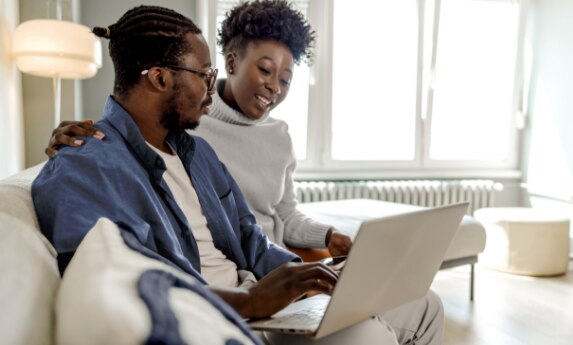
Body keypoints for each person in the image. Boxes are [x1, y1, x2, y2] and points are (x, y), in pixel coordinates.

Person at [41, 2, 444, 344]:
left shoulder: (195, 151)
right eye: (205, 76)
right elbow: (127, 280)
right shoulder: (86, 162)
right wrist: (251, 303)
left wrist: (302, 275)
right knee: (369, 335)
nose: (210, 90)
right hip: (229, 313)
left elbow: (252, 239)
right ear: (161, 77)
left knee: (426, 305)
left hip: (262, 295)